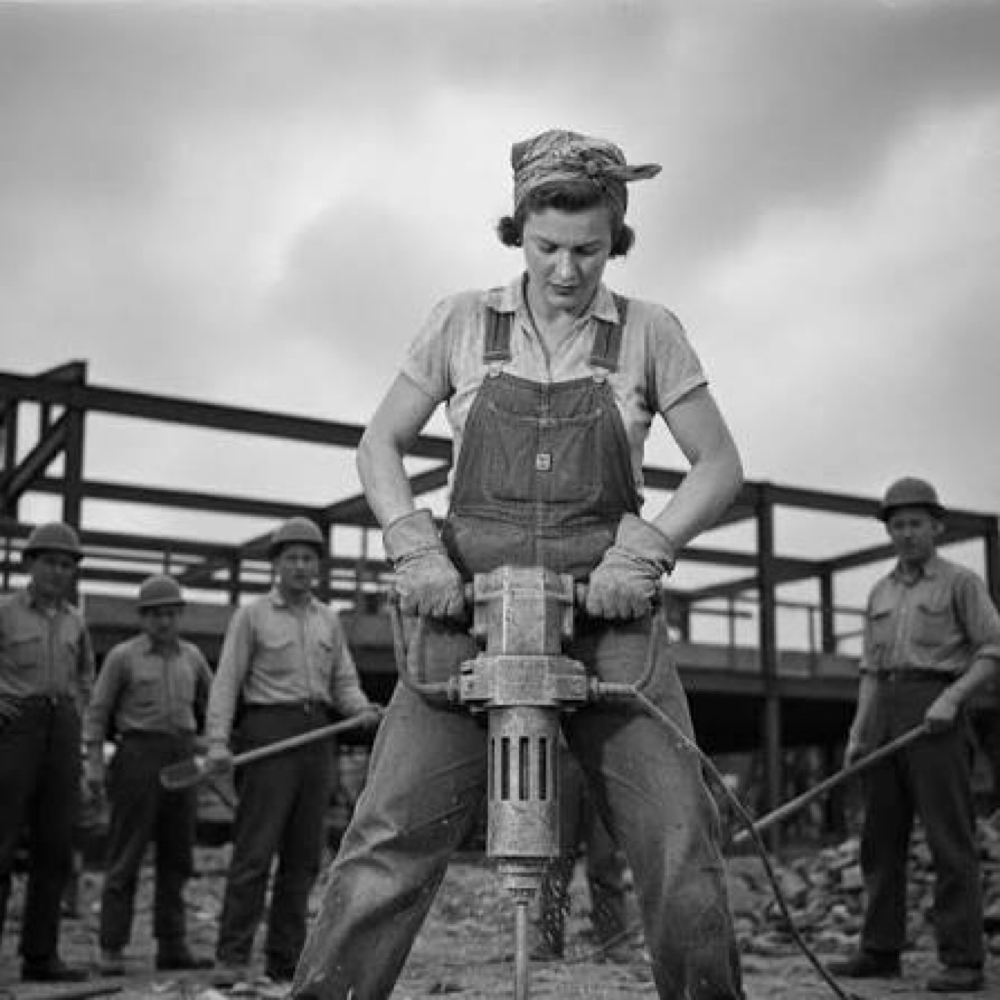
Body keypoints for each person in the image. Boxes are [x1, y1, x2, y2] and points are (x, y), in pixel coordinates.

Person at [292, 128, 746, 1000]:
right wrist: (413, 543)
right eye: (547, 248)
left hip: (605, 619)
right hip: (466, 615)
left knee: (680, 843)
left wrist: (644, 551)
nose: (567, 270)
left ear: (617, 235)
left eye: (589, 249)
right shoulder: (462, 320)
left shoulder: (651, 333)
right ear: (518, 230)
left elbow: (719, 464)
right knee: (387, 842)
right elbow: (379, 442)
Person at [830, 477, 1000, 994]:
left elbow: (992, 651)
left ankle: (964, 960)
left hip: (938, 714)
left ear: (936, 526)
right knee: (880, 842)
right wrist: (859, 735)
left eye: (916, 523)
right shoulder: (880, 591)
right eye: (898, 524)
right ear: (889, 530)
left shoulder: (960, 583)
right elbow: (870, 673)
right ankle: (880, 951)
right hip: (885, 716)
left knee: (950, 841)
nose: (907, 533)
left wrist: (951, 700)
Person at [204, 517, 382, 983]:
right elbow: (226, 683)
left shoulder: (328, 619)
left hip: (316, 735)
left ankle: (285, 960)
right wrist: (219, 742)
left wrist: (361, 709)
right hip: (269, 732)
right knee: (255, 852)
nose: (301, 566)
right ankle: (232, 957)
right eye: (292, 558)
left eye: (309, 558)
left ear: (318, 567)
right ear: (276, 566)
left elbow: (343, 680)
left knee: (303, 858)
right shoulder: (252, 616)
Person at [83, 574, 214, 975]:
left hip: (182, 757)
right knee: (125, 855)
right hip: (137, 755)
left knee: (178, 857)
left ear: (180, 616)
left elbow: (216, 705)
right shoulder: (123, 658)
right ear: (143, 617)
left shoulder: (193, 658)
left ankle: (172, 945)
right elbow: (98, 712)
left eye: (170, 613)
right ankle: (111, 949)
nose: (163, 621)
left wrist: (212, 744)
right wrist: (94, 762)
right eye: (155, 614)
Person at [0, 522, 94, 982]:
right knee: (1, 843)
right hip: (15, 729)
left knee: (54, 847)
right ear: (29, 564)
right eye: (50, 563)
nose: (59, 572)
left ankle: (41, 956)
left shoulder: (76, 620)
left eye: (66, 565)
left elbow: (85, 677)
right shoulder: (5, 612)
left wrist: (79, 718)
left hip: (62, 730)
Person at [532, 740, 631, 963]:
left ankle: (614, 942)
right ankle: (549, 940)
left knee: (605, 857)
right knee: (556, 858)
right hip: (560, 756)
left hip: (602, 754)